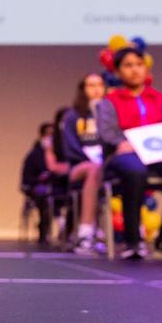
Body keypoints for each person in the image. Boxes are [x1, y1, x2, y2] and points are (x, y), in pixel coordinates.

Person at [96, 47, 162, 261]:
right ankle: (133, 241)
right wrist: (122, 143)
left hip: (158, 154)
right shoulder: (110, 101)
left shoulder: (159, 99)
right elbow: (107, 133)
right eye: (128, 66)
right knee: (134, 171)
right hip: (125, 156)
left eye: (139, 65)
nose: (135, 70)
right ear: (118, 72)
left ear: (146, 69)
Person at [56, 73, 107, 255]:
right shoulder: (72, 116)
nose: (96, 89)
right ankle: (86, 233)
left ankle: (132, 235)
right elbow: (69, 147)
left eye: (100, 85)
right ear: (83, 89)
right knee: (94, 170)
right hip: (80, 166)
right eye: (91, 85)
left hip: (106, 166)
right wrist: (89, 159)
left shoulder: (109, 115)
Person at [20, 122, 59, 243]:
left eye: (53, 135)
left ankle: (67, 229)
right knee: (45, 196)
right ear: (42, 136)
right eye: (48, 134)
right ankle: (43, 230)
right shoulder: (34, 154)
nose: (50, 138)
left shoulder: (59, 153)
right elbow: (26, 178)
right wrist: (40, 179)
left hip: (55, 187)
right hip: (37, 188)